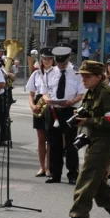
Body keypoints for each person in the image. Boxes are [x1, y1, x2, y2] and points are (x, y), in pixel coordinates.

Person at [51, 60, 110, 218]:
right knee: (98, 186)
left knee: (85, 180)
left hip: (105, 142)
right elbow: (89, 112)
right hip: (94, 140)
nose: (83, 79)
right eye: (82, 76)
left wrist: (86, 122)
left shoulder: (108, 95)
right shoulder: (91, 93)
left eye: (87, 76)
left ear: (99, 77)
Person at [44, 46, 85, 185]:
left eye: (63, 63)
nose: (60, 66)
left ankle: (72, 174)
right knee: (53, 143)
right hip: (53, 110)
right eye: (58, 63)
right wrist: (46, 100)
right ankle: (55, 174)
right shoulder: (49, 72)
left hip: (69, 110)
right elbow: (44, 91)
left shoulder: (77, 72)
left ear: (69, 59)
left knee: (71, 144)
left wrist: (72, 101)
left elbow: (81, 93)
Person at [26, 47, 54, 177]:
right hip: (39, 103)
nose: (46, 61)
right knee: (41, 138)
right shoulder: (36, 74)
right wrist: (32, 106)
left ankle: (49, 167)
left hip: (51, 103)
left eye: (49, 58)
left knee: (50, 138)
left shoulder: (56, 72)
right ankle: (42, 167)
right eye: (44, 59)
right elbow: (31, 93)